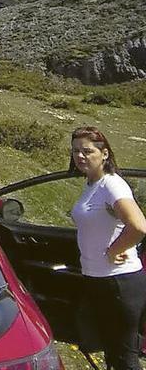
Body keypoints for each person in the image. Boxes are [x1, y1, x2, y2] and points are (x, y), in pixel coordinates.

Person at [69, 126, 146, 369]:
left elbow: (138, 226)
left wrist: (114, 250)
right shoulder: (92, 184)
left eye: (87, 151)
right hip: (100, 279)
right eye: (75, 151)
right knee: (113, 353)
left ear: (104, 154)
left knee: (124, 357)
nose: (80, 156)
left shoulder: (111, 184)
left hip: (118, 282)